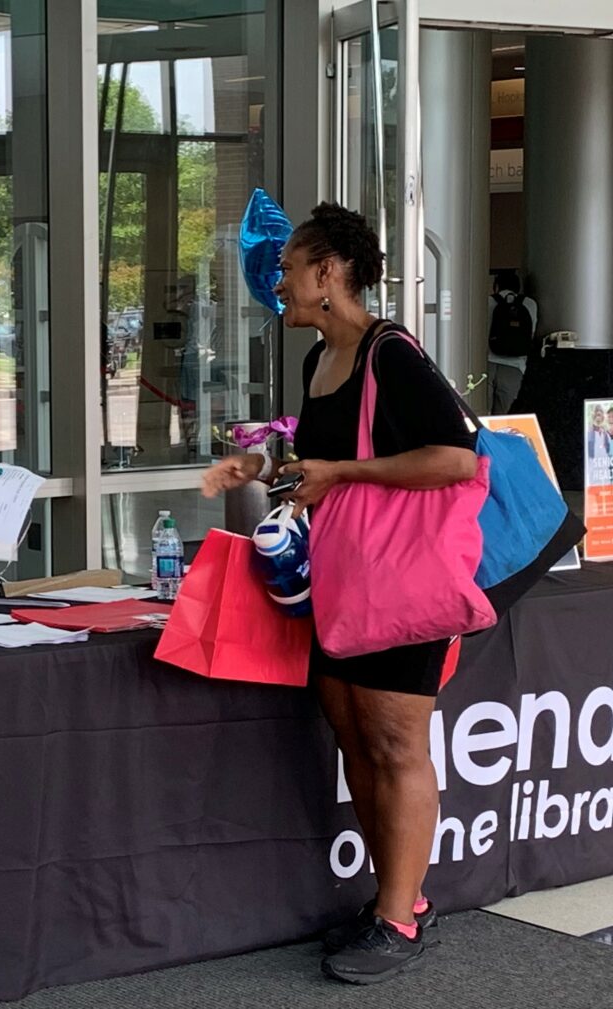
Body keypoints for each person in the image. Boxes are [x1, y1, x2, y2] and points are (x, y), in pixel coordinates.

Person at [201, 203, 480, 984]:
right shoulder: (319, 357)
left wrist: (344, 474)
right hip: (346, 581)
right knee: (357, 738)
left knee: (397, 745)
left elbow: (456, 459)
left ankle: (402, 915)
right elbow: (316, 467)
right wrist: (259, 471)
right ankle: (393, 901)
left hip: (402, 587)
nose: (276, 279)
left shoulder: (389, 353)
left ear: (330, 271)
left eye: (289, 265)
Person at [486, 269, 538, 413]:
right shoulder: (530, 304)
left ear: (496, 286)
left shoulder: (488, 302)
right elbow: (531, 333)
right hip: (515, 366)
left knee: (482, 413)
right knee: (505, 415)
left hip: (487, 363)